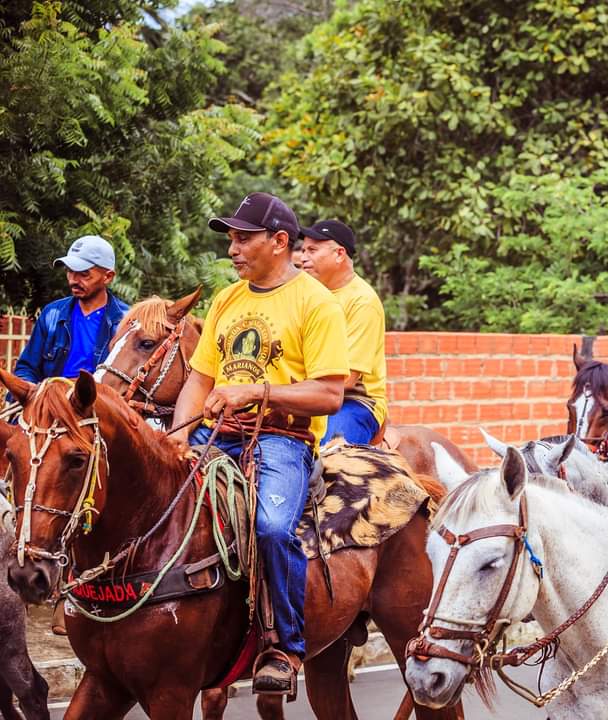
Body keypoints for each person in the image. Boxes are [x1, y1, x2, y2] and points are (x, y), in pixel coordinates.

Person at [170, 192, 348, 694]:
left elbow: (331, 393)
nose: (233, 249)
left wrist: (257, 390)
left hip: (282, 440)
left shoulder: (317, 303)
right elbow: (198, 382)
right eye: (231, 238)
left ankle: (283, 646)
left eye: (243, 238)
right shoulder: (227, 299)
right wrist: (178, 438)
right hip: (215, 435)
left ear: (280, 241)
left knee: (271, 528)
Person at [299, 219, 388, 445]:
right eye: (302, 250)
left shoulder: (362, 301)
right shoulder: (306, 295)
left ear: (339, 254)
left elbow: (346, 380)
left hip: (353, 402)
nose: (302, 257)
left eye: (312, 250)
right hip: (308, 396)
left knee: (328, 460)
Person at [14, 235, 128, 383]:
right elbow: (26, 368)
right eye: (69, 271)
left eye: (84, 274)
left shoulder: (126, 321)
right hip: (50, 400)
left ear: (108, 277)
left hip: (98, 402)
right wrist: (30, 392)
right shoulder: (52, 314)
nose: (73, 280)